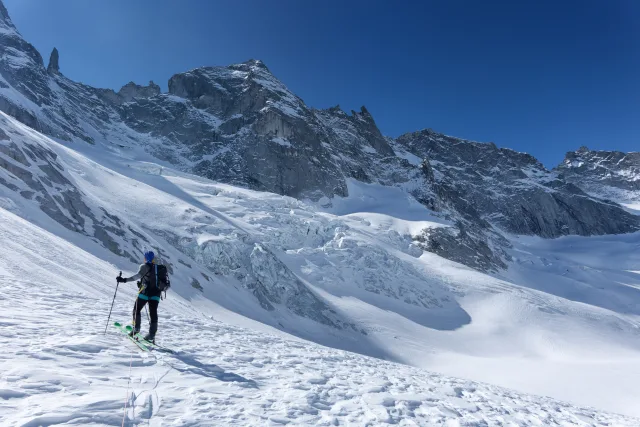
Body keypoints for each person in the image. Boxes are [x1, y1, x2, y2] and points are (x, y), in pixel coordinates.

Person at [116, 251, 162, 342]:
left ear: (146, 258)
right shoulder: (159, 269)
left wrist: (124, 280)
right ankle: (152, 335)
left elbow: (136, 277)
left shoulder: (144, 266)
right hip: (156, 295)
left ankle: (136, 328)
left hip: (144, 293)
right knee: (153, 313)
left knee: (136, 310)